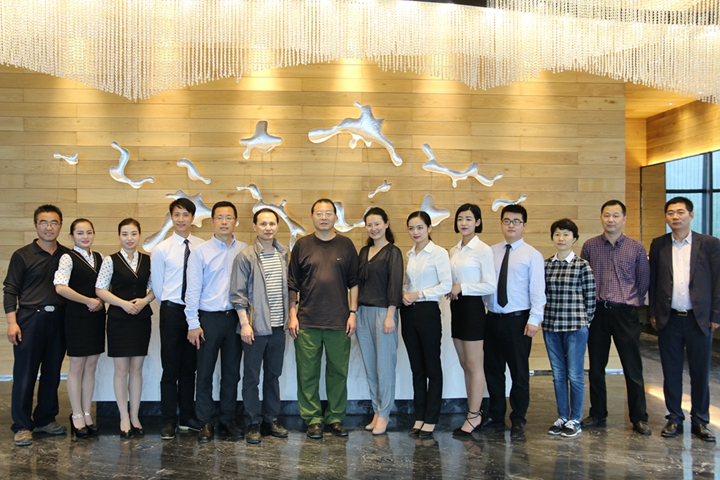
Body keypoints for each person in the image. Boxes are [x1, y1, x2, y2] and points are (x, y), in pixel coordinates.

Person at [649, 197, 719, 442]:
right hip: (669, 319)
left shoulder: (709, 244)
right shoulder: (659, 244)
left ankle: (700, 421)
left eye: (680, 212)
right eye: (670, 213)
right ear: (666, 217)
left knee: (700, 372)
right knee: (671, 371)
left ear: (691, 215)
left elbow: (718, 280)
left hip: (699, 319)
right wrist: (653, 313)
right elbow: (654, 281)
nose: (675, 217)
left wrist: (716, 314)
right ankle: (674, 418)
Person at [288, 198, 359, 439]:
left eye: (328, 213)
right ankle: (313, 419)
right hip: (307, 321)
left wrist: (353, 313)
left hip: (339, 321)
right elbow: (292, 284)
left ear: (336, 217)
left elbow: (354, 282)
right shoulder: (302, 245)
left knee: (338, 372)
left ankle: (335, 417)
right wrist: (292, 315)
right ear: (312, 217)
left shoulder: (346, 245)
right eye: (319, 213)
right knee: (307, 373)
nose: (324, 217)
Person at [580, 200, 651, 436]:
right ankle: (598, 413)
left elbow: (643, 281)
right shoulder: (590, 246)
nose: (611, 219)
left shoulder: (636, 247)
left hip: (625, 313)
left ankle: (639, 417)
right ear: (601, 218)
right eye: (607, 215)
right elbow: (584, 280)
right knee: (596, 366)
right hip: (598, 312)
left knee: (632, 367)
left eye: (616, 215)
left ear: (624, 219)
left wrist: (629, 301)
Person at [4, 204, 70, 447]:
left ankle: (45, 419)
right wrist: (12, 323)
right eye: (44, 222)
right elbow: (10, 290)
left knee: (52, 372)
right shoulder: (22, 255)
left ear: (60, 226)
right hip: (30, 319)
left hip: (60, 319)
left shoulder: (67, 255)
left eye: (54, 223)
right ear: (36, 225)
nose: (49, 227)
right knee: (25, 374)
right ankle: (22, 426)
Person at [185, 201, 247, 443]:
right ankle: (206, 421)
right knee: (205, 372)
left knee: (232, 373)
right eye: (219, 217)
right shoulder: (200, 252)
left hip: (235, 319)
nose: (224, 222)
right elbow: (192, 289)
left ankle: (227, 418)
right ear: (212, 222)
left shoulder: (244, 250)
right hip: (208, 319)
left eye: (229, 217)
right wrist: (193, 323)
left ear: (236, 222)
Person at [481, 204, 545, 440]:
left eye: (516, 221)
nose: (511, 225)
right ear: (501, 223)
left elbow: (538, 291)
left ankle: (518, 419)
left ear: (524, 225)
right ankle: (496, 416)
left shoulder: (532, 255)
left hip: (518, 322)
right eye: (507, 221)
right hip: (492, 319)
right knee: (493, 371)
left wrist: (534, 320)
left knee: (519, 373)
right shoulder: (491, 252)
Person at [230, 208, 290, 444]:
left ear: (277, 226)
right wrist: (245, 324)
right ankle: (253, 420)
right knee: (252, 377)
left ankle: (271, 418)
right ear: (255, 226)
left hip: (278, 327)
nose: (268, 228)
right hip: (254, 328)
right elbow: (238, 294)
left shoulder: (284, 254)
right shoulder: (245, 256)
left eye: (272, 223)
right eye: (263, 224)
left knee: (273, 375)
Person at [96, 218, 155, 438]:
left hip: (141, 319)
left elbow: (155, 287)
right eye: (124, 234)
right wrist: (122, 304)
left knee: (137, 370)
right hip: (118, 320)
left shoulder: (148, 260)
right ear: (119, 236)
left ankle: (135, 415)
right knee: (121, 370)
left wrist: (145, 301)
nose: (129, 238)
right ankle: (123, 416)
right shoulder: (110, 260)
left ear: (139, 235)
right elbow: (100, 289)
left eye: (133, 234)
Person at [151, 198, 204, 440]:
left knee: (189, 367)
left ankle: (187, 417)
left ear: (193, 218)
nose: (181, 219)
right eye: (176, 214)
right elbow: (158, 287)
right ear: (171, 217)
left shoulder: (201, 246)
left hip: (195, 313)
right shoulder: (161, 249)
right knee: (170, 368)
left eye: (185, 214)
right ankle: (169, 420)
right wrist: (171, 307)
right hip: (172, 311)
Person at [543, 218, 595, 438]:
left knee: (575, 375)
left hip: (575, 328)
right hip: (551, 327)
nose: (561, 238)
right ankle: (562, 416)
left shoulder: (582, 265)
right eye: (557, 234)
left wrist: (583, 322)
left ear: (574, 238)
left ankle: (575, 419)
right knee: (558, 375)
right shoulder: (546, 265)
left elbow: (590, 299)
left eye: (566, 234)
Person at [54, 218, 106, 439]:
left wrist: (100, 300)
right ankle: (76, 414)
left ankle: (86, 413)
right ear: (71, 236)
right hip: (76, 317)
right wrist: (88, 300)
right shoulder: (68, 257)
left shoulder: (100, 257)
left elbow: (105, 286)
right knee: (76, 366)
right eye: (80, 233)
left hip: (96, 317)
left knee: (91, 366)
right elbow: (60, 287)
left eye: (89, 232)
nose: (85, 236)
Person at [402, 210, 452, 439]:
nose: (415, 232)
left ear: (430, 229)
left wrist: (418, 294)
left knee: (432, 366)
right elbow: (407, 283)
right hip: (408, 312)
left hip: (428, 311)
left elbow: (446, 285)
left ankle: (431, 418)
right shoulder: (409, 254)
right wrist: (404, 293)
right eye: (411, 228)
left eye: (420, 227)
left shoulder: (439, 253)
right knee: (417, 368)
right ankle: (419, 416)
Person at [448, 204, 496, 437]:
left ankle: (474, 415)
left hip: (473, 309)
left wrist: (462, 287)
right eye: (460, 219)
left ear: (477, 222)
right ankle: (472, 411)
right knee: (465, 364)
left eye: (468, 219)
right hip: (456, 308)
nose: (463, 223)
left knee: (475, 364)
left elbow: (490, 285)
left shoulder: (483, 249)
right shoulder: (453, 250)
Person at [356, 207, 403, 436]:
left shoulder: (393, 252)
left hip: (384, 313)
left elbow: (395, 284)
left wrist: (390, 315)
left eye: (377, 223)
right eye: (369, 224)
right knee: (370, 367)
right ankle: (376, 410)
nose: (373, 228)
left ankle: (385, 413)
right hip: (362, 313)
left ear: (386, 224)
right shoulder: (364, 251)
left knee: (385, 368)